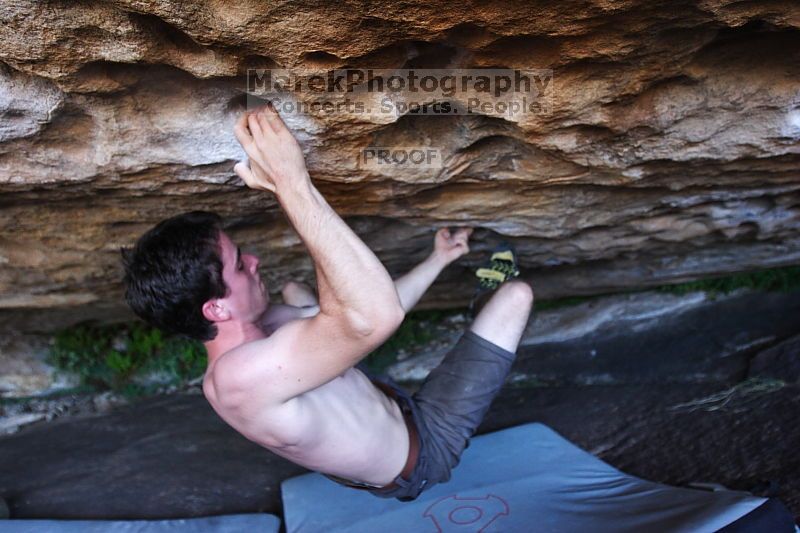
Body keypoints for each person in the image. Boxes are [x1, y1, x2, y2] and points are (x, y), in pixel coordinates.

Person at [121, 104, 534, 501]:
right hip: (427, 447)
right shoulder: (236, 383)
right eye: (240, 266)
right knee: (516, 297)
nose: (255, 261)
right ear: (216, 309)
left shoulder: (264, 327)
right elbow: (374, 316)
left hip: (389, 404)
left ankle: (449, 292)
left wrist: (439, 258)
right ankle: (486, 301)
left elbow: (373, 308)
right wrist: (291, 183)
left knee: (299, 295)